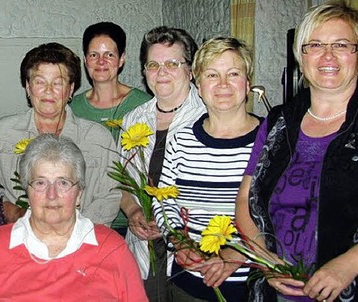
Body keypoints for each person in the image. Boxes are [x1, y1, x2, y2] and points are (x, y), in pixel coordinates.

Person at [235, 2, 358, 301]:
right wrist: (265, 259)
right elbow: (244, 200)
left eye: (341, 44)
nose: (328, 55)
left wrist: (349, 264)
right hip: (273, 290)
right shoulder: (276, 123)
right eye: (315, 45)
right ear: (301, 56)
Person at [0, 134, 147, 301]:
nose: (52, 194)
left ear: (79, 194)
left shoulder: (111, 249)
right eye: (40, 183)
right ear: (27, 192)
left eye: (63, 183)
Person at [154, 37, 260, 301]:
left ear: (247, 84)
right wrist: (178, 239)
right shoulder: (181, 140)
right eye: (212, 75)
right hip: (188, 284)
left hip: (250, 286)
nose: (223, 84)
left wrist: (237, 255)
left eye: (233, 73)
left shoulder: (272, 141)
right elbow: (164, 201)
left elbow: (280, 216)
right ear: (198, 86)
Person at [0, 42, 120, 226]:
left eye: (58, 83)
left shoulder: (98, 137)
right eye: (40, 82)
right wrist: (19, 216)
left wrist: (74, 231)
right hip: (22, 235)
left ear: (71, 89)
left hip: (83, 240)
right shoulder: (3, 132)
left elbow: (109, 197)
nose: (48, 91)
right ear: (28, 87)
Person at [119, 26, 206, 301]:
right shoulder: (132, 120)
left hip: (194, 252)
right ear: (144, 72)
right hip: (144, 249)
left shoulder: (208, 116)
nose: (161, 71)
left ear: (190, 70)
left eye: (172, 63)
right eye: (153, 64)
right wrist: (133, 211)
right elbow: (123, 180)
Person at [70, 21, 152, 237]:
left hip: (136, 219)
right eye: (94, 54)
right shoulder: (72, 108)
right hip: (86, 217)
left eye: (109, 55)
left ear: (122, 58)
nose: (101, 62)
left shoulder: (142, 105)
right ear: (85, 59)